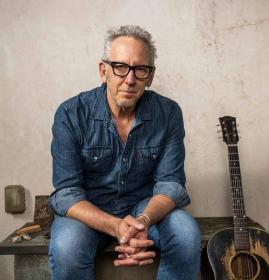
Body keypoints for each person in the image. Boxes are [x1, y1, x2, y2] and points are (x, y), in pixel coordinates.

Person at [48, 25, 201, 280]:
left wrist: (143, 220)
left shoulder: (169, 113)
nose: (129, 79)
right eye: (120, 67)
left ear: (150, 77)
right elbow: (67, 194)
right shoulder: (71, 113)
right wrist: (116, 225)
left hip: (145, 206)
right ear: (103, 70)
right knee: (67, 248)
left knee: (186, 234)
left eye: (140, 70)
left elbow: (170, 185)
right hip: (89, 209)